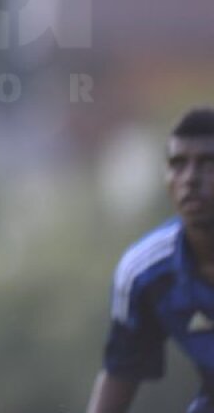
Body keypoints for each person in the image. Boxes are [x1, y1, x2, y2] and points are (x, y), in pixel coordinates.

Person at [86, 107, 214, 413]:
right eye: (177, 164)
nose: (190, 179)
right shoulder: (145, 272)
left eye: (208, 163)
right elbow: (119, 378)